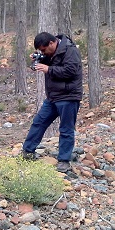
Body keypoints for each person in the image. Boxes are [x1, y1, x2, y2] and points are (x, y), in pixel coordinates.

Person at [21, 32, 83, 173]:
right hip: (53, 97)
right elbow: (51, 63)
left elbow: (71, 71)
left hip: (68, 96)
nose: (43, 52)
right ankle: (27, 151)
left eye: (43, 50)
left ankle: (64, 161)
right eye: (40, 51)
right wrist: (40, 59)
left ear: (51, 43)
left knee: (66, 129)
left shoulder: (70, 51)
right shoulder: (51, 52)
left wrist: (48, 69)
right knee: (39, 121)